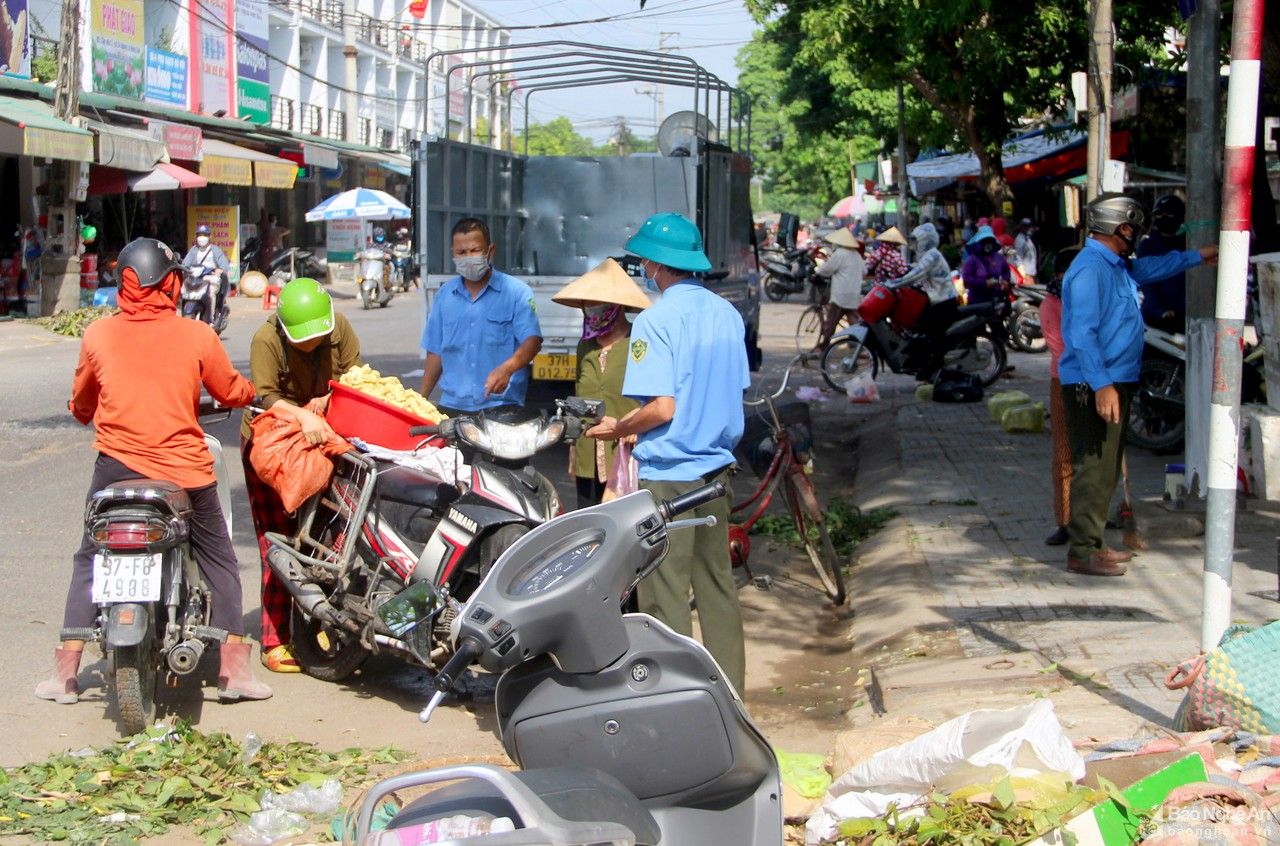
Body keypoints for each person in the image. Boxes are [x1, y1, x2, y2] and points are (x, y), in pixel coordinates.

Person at [35, 238, 271, 704]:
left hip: (115, 471)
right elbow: (228, 389)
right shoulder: (196, 334)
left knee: (90, 556)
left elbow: (82, 403)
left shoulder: (98, 334)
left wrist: (91, 408)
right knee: (218, 556)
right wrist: (252, 394)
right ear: (169, 283)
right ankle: (235, 672)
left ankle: (65, 672)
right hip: (184, 472)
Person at [585, 212, 749, 693]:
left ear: (656, 265)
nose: (642, 268)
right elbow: (731, 389)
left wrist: (620, 428)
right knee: (718, 588)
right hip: (718, 472)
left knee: (664, 594)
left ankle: (678, 698)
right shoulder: (728, 315)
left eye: (643, 261)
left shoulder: (655, 322)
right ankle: (729, 694)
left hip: (670, 477)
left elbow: (661, 407)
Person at [1059, 194, 1215, 576]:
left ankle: (1094, 543)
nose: (1135, 235)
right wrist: (1102, 385)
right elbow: (1082, 334)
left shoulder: (1117, 266)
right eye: (1131, 228)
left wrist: (1200, 256)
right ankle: (1082, 550)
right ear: (1118, 227)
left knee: (1108, 468)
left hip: (1115, 380)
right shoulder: (1090, 270)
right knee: (1093, 467)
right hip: (1093, 383)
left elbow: (1154, 267)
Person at [241, 277, 362, 672]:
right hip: (274, 443)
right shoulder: (266, 340)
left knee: (329, 536)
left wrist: (330, 398)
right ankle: (275, 640)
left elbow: (356, 378)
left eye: (318, 338)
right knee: (278, 540)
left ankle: (322, 623)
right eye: (303, 341)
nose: (312, 345)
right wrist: (302, 416)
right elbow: (267, 398)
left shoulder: (338, 326)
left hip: (326, 436)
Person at [552, 258, 650, 507]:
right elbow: (578, 396)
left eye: (597, 304)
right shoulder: (585, 346)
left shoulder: (639, 341)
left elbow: (655, 397)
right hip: (588, 454)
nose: (590, 309)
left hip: (626, 456)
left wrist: (636, 425)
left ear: (615, 306)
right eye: (587, 304)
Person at [420, 218, 542, 415]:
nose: (468, 257)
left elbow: (533, 341)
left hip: (502, 406)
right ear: (453, 254)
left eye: (475, 250)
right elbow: (435, 352)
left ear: (490, 251)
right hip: (452, 407)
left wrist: (507, 369)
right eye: (461, 252)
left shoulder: (516, 292)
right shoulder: (445, 295)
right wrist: (420, 400)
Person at [1040, 248, 1080, 547]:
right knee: (1065, 454)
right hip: (1065, 382)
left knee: (1095, 455)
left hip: (1098, 381)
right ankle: (1065, 520)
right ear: (1059, 275)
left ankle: (1093, 515)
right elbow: (1059, 348)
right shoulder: (1051, 304)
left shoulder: (1090, 298)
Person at [887, 222, 958, 377]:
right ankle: (926, 366)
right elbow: (914, 269)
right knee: (918, 328)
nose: (914, 245)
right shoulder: (928, 255)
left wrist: (892, 284)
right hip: (937, 300)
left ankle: (934, 368)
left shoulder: (932, 255)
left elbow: (916, 274)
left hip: (944, 302)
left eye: (917, 241)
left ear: (925, 240)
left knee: (930, 333)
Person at [1136, 194, 1188, 332]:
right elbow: (1147, 282)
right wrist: (1160, 310)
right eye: (1159, 214)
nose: (1163, 218)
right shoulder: (1148, 246)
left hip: (1186, 318)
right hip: (1157, 320)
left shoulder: (1188, 244)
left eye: (1169, 214)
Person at [813, 228, 866, 348]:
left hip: (841, 295)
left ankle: (824, 346)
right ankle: (858, 346)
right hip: (854, 294)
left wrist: (817, 271)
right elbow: (864, 270)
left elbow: (826, 269)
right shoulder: (856, 255)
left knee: (831, 322)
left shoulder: (840, 253)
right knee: (854, 323)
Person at [182, 223, 231, 320]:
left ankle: (211, 318)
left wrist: (219, 270)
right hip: (197, 279)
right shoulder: (194, 250)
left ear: (209, 236)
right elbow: (185, 264)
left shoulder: (215, 250)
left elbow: (224, 265)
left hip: (211, 278)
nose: (202, 237)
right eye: (199, 235)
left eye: (205, 235)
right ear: (196, 237)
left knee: (210, 293)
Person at [959, 225, 1011, 305]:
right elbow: (966, 279)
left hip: (995, 299)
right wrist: (984, 283)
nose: (987, 244)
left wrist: (1005, 280)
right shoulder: (972, 259)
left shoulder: (998, 257)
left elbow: (1006, 270)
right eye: (984, 241)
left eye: (990, 241)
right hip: (977, 302)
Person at [1014, 219, 1038, 284]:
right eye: (1027, 227)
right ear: (1022, 228)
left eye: (1030, 227)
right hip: (1026, 275)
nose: (1029, 229)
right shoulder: (1020, 240)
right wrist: (1024, 276)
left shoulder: (1027, 238)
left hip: (1031, 273)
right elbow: (1018, 259)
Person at [257, 209, 278, 274]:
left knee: (265, 263)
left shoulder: (267, 228)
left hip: (267, 248)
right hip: (266, 248)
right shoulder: (266, 226)